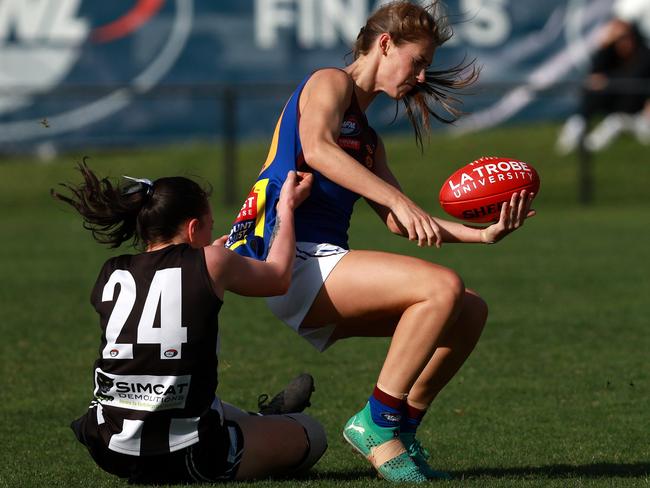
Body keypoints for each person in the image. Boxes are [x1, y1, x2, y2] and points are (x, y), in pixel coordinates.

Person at [225, 1, 536, 483]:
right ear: (386, 45)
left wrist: (483, 235)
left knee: (469, 310)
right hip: (290, 261)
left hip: (322, 263)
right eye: (418, 61)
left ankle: (402, 431)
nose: (421, 75)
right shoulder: (330, 81)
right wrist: (398, 198)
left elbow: (398, 220)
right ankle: (376, 423)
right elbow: (318, 149)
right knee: (441, 288)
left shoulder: (368, 138)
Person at [53, 163, 326, 484]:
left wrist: (208, 257)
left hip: (109, 445)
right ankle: (266, 420)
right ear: (194, 228)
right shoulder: (213, 261)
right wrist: (286, 207)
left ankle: (257, 420)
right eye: (210, 226)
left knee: (193, 400)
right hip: (187, 453)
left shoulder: (111, 270)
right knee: (312, 433)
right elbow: (279, 277)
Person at [556, 16, 650, 154]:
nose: (623, 42)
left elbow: (633, 79)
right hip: (616, 102)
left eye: (625, 37)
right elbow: (594, 75)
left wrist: (607, 81)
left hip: (637, 109)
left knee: (615, 115)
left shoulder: (644, 55)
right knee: (592, 93)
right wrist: (604, 46)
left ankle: (592, 144)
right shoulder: (610, 53)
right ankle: (577, 125)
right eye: (618, 38)